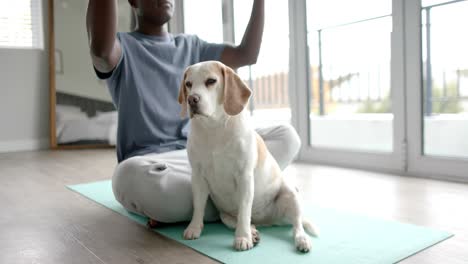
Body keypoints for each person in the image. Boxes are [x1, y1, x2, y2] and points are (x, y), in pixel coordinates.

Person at [86, 0, 301, 225]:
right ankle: (250, 202)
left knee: (286, 136)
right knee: (127, 175)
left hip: (204, 156)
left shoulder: (193, 46)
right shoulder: (120, 47)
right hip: (153, 166)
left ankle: (202, 207)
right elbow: (101, 51)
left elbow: (247, 54)